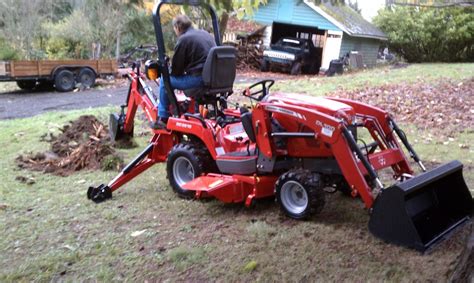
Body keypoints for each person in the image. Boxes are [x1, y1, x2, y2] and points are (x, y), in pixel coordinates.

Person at [152, 14, 216, 129]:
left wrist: (167, 69)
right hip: (215, 78)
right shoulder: (205, 34)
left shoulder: (184, 39)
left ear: (177, 27)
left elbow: (176, 71)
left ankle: (163, 118)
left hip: (199, 80)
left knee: (165, 80)